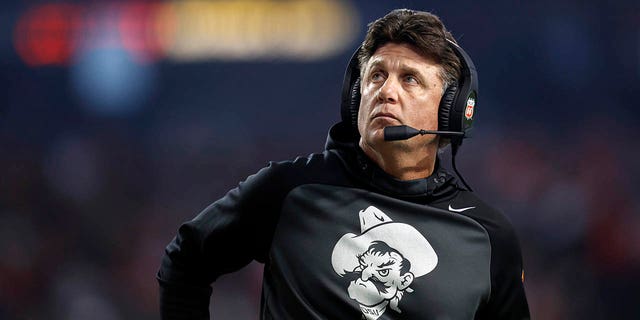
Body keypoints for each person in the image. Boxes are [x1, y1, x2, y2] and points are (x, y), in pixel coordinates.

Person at [157, 8, 530, 319]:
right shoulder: (290, 191)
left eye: (410, 79)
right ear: (356, 98)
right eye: (377, 75)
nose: (386, 91)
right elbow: (185, 263)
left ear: (451, 110)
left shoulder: (488, 237)